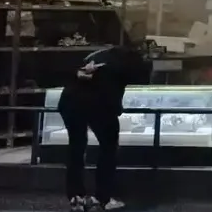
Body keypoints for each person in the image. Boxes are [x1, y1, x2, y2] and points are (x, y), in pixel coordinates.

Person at [59, 44, 152, 212]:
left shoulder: (97, 56)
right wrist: (116, 111)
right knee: (108, 148)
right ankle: (103, 199)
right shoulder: (127, 62)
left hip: (70, 102)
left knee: (76, 146)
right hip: (99, 104)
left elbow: (71, 72)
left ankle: (76, 197)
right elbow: (140, 80)